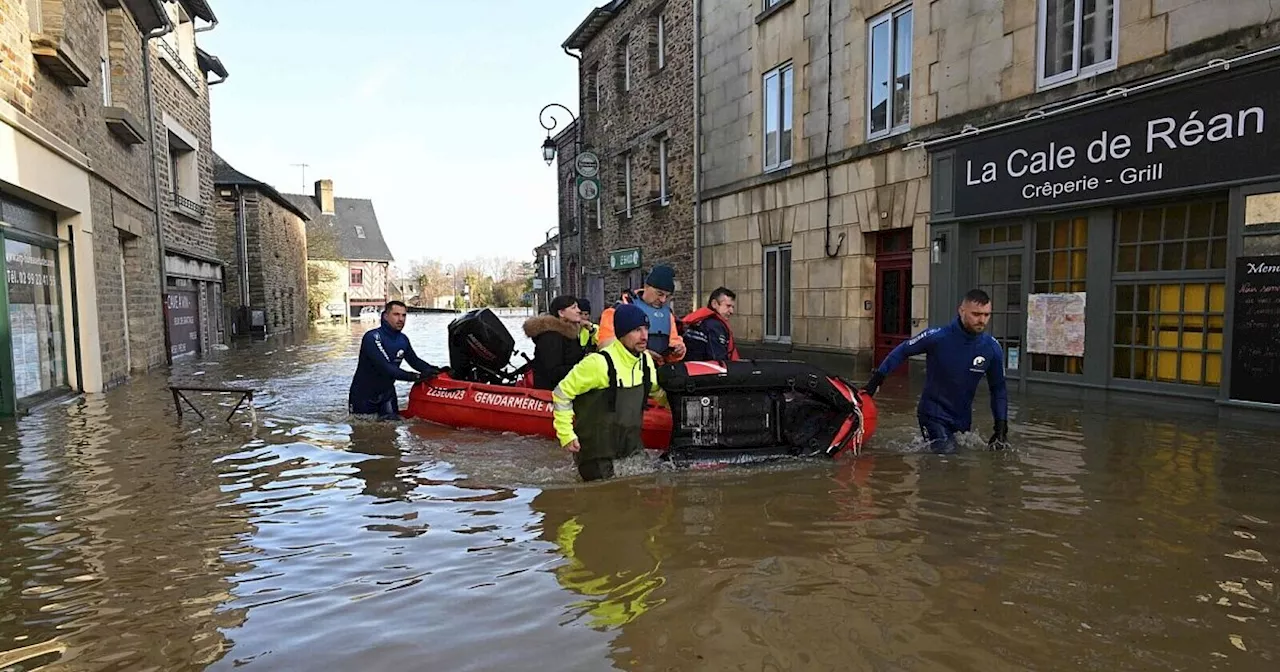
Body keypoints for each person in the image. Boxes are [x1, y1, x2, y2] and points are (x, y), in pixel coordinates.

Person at [861, 289, 1010, 453]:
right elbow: (903, 350)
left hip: (962, 418)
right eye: (976, 314)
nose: (982, 320)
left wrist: (1001, 427)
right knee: (945, 455)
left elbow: (998, 389)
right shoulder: (938, 337)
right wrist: (875, 382)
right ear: (961, 311)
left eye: (986, 315)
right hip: (933, 412)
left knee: (960, 462)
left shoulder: (991, 348)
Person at [553, 303, 667, 481]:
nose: (644, 336)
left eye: (646, 329)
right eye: (637, 330)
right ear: (621, 334)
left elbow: (657, 392)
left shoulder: (646, 361)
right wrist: (566, 434)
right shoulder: (598, 363)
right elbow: (561, 393)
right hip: (596, 453)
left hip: (631, 448)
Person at [348, 300, 442, 420]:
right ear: (385, 316)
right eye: (396, 314)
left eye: (404, 315)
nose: (401, 319)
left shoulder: (403, 340)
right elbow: (386, 368)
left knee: (392, 431)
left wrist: (436, 371)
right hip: (364, 396)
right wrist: (416, 377)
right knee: (365, 433)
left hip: (387, 394)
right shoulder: (372, 337)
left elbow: (415, 361)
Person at [598, 264, 685, 365]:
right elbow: (604, 345)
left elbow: (674, 342)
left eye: (667, 296)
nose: (663, 300)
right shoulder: (618, 309)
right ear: (646, 286)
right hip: (626, 372)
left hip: (658, 372)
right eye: (659, 294)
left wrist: (678, 350)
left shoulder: (667, 314)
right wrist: (643, 354)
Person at [523, 295, 589, 390]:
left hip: (568, 388)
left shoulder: (570, 333)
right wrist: (583, 367)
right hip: (552, 394)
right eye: (574, 308)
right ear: (561, 313)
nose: (579, 310)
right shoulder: (551, 337)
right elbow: (551, 372)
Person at [681, 287, 739, 362]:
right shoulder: (714, 326)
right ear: (714, 304)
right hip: (706, 370)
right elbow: (718, 359)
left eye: (732, 307)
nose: (731, 311)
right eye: (728, 306)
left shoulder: (699, 321)